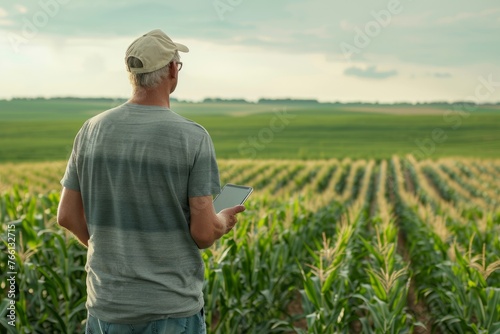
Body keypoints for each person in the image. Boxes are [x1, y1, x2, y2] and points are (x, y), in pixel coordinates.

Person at [57, 29, 246, 334]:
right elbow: (202, 233)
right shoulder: (192, 137)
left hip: (107, 307)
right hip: (170, 310)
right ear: (172, 70)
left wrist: (115, 251)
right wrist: (222, 220)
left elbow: (66, 216)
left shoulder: (90, 130)